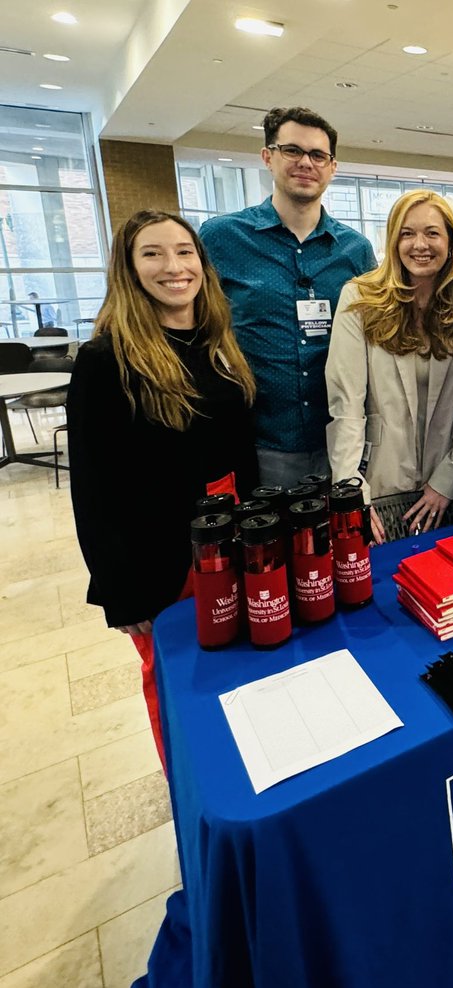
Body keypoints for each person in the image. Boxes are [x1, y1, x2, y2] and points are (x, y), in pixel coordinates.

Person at [67, 210, 258, 768]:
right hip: (160, 560)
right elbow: (93, 490)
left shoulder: (218, 340)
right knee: (177, 687)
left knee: (232, 669)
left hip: (230, 544)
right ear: (128, 268)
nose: (173, 266)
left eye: (184, 252)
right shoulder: (107, 360)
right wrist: (120, 593)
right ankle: (191, 788)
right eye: (152, 253)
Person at [200, 106, 375, 488]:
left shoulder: (356, 250)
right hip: (258, 442)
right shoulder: (221, 238)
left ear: (332, 166)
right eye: (292, 151)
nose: (305, 163)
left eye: (318, 155)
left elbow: (376, 338)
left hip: (341, 441)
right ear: (268, 156)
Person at [325, 190, 453, 539]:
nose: (419, 244)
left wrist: (448, 481)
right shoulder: (360, 299)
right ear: (393, 240)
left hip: (446, 484)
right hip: (378, 481)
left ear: (451, 241)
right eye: (407, 233)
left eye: (432, 233)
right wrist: (353, 493)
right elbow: (346, 406)